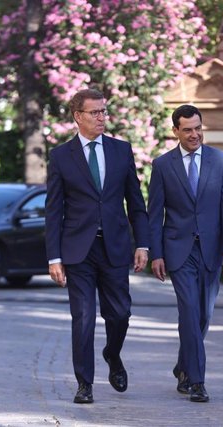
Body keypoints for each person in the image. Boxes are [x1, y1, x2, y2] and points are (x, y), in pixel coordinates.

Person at [45, 88, 150, 404]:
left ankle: (112, 354)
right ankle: (84, 383)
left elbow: (135, 201)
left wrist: (142, 243)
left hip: (115, 247)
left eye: (104, 111)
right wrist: (54, 257)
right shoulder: (61, 156)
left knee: (120, 313)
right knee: (84, 317)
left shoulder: (121, 150)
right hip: (79, 250)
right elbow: (53, 210)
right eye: (95, 112)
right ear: (78, 116)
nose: (102, 117)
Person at [148, 104, 223, 403]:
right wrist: (156, 254)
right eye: (187, 130)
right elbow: (154, 214)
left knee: (203, 316)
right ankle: (197, 382)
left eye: (198, 128)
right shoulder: (162, 166)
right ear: (175, 131)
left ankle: (183, 366)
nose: (194, 134)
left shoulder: (221, 161)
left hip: (211, 250)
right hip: (178, 251)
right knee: (189, 311)